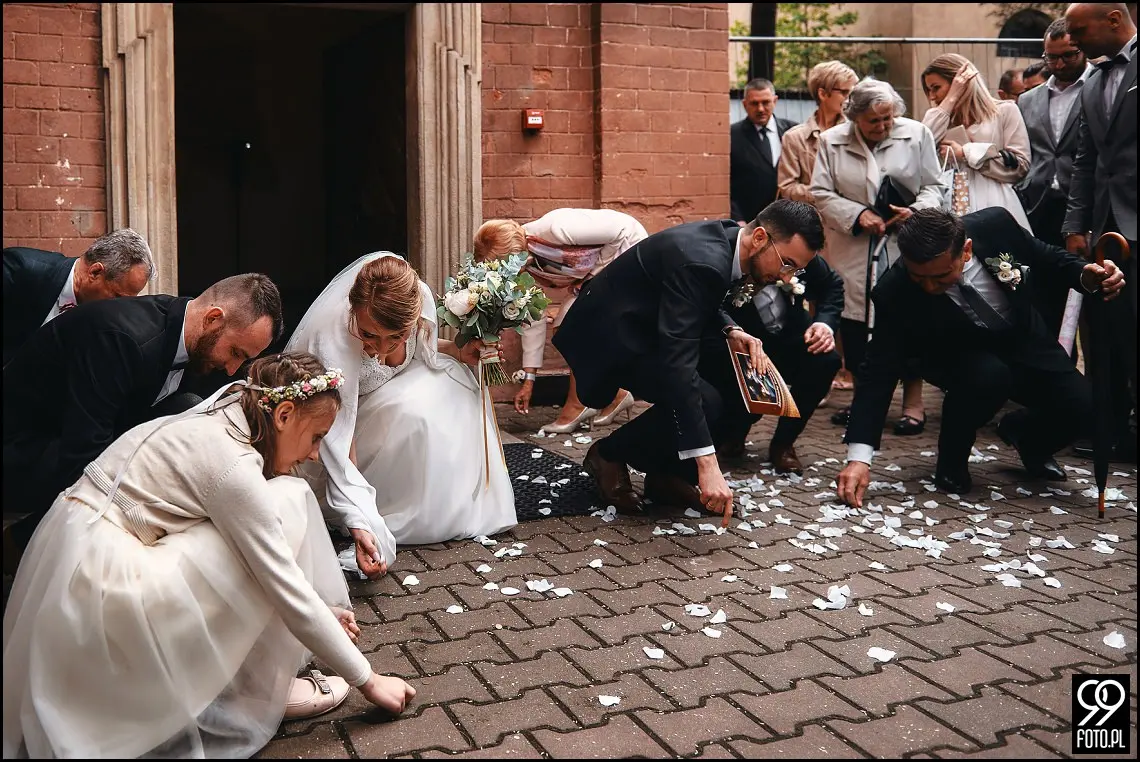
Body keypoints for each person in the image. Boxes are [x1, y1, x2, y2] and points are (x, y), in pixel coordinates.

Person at [2, 353, 416, 759]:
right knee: (288, 500)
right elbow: (284, 585)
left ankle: (243, 672)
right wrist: (369, 680)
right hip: (108, 585)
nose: (313, 454)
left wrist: (320, 610)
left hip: (75, 551)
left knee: (260, 536)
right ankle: (252, 687)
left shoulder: (233, 404)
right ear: (284, 414)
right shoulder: (235, 469)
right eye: (316, 437)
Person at [552, 199, 825, 522]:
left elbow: (698, 300)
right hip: (612, 339)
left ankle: (667, 476)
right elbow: (678, 365)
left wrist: (731, 330)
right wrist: (707, 464)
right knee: (704, 400)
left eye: (795, 270)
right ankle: (608, 455)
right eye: (787, 263)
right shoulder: (704, 259)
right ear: (760, 238)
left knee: (739, 385)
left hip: (652, 328)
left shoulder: (728, 239)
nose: (785, 276)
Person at [835, 208, 1125, 508]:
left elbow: (1047, 256)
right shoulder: (893, 291)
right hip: (957, 354)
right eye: (919, 278)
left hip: (1022, 337)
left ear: (966, 250)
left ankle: (1028, 438)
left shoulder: (995, 226)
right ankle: (951, 460)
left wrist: (1086, 274)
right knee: (988, 376)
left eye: (941, 276)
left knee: (1084, 406)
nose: (930, 287)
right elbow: (878, 370)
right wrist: (859, 459)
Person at [2, 273, 284, 558]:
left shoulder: (193, 341)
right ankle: (16, 545)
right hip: (22, 448)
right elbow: (83, 449)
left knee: (187, 410)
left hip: (78, 438)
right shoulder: (122, 338)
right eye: (235, 352)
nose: (232, 369)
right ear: (212, 319)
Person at [286, 253, 516, 579]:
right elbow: (339, 438)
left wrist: (458, 350)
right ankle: (387, 507)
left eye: (395, 337)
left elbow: (424, 349)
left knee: (456, 378)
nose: (380, 349)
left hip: (387, 394)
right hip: (342, 419)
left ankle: (447, 501)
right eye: (368, 335)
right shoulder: (333, 340)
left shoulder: (418, 298)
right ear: (353, 311)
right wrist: (363, 524)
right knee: (411, 413)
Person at [811, 77, 947, 437]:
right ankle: (864, 400)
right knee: (855, 323)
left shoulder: (916, 134)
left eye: (888, 118)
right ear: (855, 117)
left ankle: (913, 404)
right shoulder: (831, 141)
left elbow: (935, 185)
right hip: (853, 246)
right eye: (874, 120)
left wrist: (915, 211)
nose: (883, 126)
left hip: (905, 242)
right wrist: (857, 214)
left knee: (908, 319)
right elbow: (820, 192)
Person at [472, 208, 649, 433]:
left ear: (513, 256)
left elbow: (622, 231)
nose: (504, 276)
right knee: (564, 328)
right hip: (597, 276)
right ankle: (616, 395)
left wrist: (592, 277)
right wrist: (529, 380)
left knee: (573, 325)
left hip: (630, 253)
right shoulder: (526, 265)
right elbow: (534, 318)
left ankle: (579, 404)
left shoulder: (557, 229)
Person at [1061, 2, 1137, 462]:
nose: (1072, 40)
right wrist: (1075, 223)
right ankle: (1109, 426)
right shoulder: (1091, 79)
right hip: (1106, 229)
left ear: (1113, 19)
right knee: (1107, 333)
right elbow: (1085, 160)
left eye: (1078, 30)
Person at [717, 243, 845, 475]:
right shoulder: (730, 260)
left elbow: (831, 285)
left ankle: (784, 444)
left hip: (792, 336)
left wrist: (823, 324)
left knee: (825, 360)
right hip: (742, 343)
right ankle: (735, 431)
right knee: (733, 397)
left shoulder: (798, 252)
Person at [776, 60, 858, 398]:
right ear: (823, 93)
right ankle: (821, 370)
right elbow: (786, 186)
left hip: (850, 228)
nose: (850, 99)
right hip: (815, 230)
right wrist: (825, 194)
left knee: (853, 297)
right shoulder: (796, 137)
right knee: (815, 298)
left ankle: (850, 367)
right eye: (845, 92)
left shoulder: (855, 132)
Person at [1017, 18, 1095, 337]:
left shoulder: (1100, 86)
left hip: (1086, 207)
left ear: (1083, 50)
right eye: (1052, 57)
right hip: (1039, 208)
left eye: (1068, 55)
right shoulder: (1027, 100)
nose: (1059, 64)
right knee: (1045, 298)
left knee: (1090, 301)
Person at [3, 228, 155, 365]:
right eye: (117, 296)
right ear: (95, 272)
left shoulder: (103, 320)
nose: (119, 309)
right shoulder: (17, 269)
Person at [921, 54, 1034, 232]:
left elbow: (1020, 166)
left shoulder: (1005, 111)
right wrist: (950, 99)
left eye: (936, 88)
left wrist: (965, 154)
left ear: (960, 83)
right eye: (929, 90)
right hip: (951, 204)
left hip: (996, 203)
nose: (932, 96)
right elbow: (921, 146)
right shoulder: (940, 118)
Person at [731, 78, 797, 225]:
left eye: (766, 102)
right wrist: (737, 219)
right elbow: (727, 184)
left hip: (789, 221)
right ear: (745, 104)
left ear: (775, 101)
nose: (760, 109)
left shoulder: (793, 131)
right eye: (754, 103)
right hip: (750, 221)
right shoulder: (732, 136)